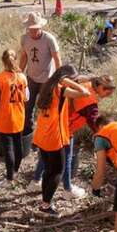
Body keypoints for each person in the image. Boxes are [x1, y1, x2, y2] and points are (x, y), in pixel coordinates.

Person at [33, 65, 90, 217]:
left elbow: (80, 82)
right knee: (57, 171)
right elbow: (84, 93)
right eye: (72, 80)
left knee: (49, 170)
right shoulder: (61, 89)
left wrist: (81, 78)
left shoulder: (48, 85)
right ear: (64, 79)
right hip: (54, 137)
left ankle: (45, 201)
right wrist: (67, 81)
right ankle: (45, 206)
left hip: (42, 135)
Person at [19, 12, 62, 146]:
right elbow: (24, 56)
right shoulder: (24, 38)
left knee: (44, 109)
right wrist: (19, 73)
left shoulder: (49, 39)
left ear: (41, 28)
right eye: (30, 29)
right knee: (27, 106)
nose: (33, 32)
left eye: (35, 29)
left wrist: (58, 77)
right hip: (31, 78)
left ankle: (43, 137)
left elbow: (57, 58)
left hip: (47, 79)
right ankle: (28, 134)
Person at [0, 49, 28, 186]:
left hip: (5, 118)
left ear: (3, 61)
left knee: (8, 149)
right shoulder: (22, 77)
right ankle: (15, 171)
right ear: (15, 60)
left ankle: (9, 179)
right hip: (19, 116)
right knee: (18, 146)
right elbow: (27, 97)